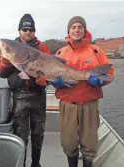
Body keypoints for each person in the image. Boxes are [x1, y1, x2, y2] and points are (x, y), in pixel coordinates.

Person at [39, 16, 114, 167]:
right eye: (73, 27)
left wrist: (100, 81)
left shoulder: (95, 50)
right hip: (67, 104)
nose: (76, 30)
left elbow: (110, 74)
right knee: (68, 143)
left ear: (85, 30)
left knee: (90, 143)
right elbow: (48, 77)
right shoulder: (60, 53)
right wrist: (56, 84)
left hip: (89, 104)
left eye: (80, 27)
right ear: (68, 31)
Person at [0, 14, 51, 167]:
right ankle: (21, 164)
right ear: (19, 30)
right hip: (19, 97)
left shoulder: (42, 48)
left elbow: (50, 73)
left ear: (34, 31)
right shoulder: (10, 46)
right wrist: (7, 60)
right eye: (24, 29)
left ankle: (36, 163)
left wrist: (46, 80)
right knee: (20, 134)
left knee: (38, 133)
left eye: (31, 29)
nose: (28, 32)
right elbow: (1, 73)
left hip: (38, 96)